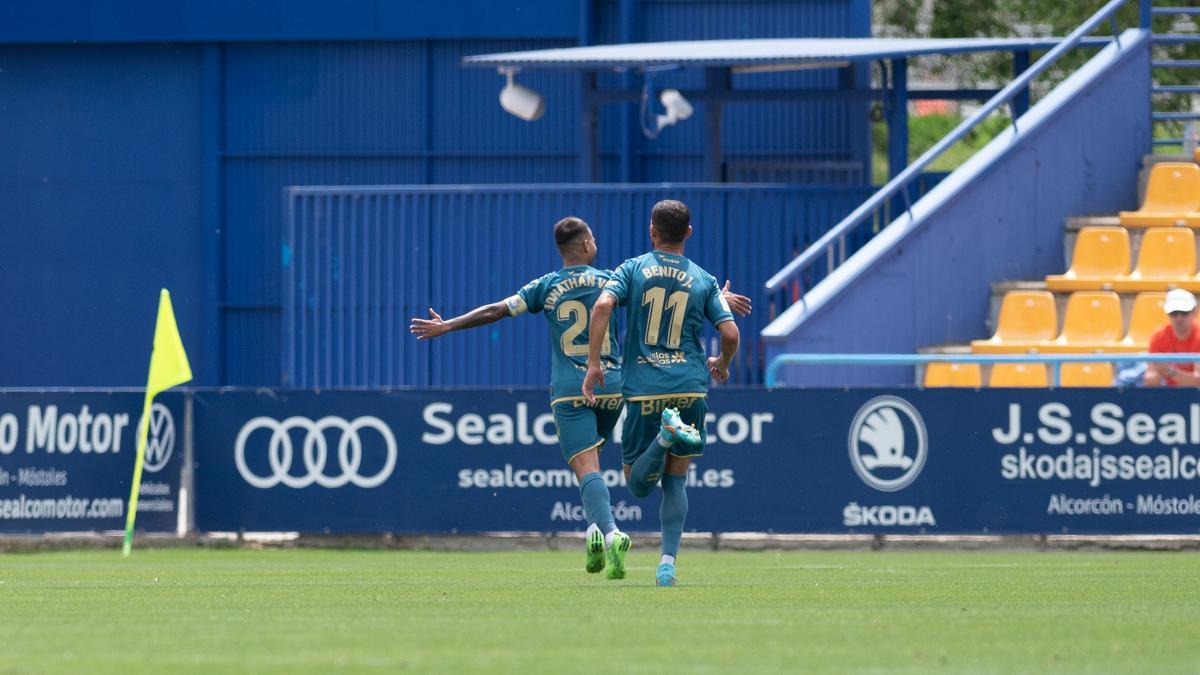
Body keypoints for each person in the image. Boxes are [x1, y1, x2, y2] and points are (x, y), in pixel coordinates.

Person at [411, 216, 750, 580]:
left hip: (573, 389)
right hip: (613, 385)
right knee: (609, 466)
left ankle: (610, 532)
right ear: (588, 244)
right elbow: (665, 294)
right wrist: (718, 298)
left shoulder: (545, 286)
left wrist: (449, 325)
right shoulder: (609, 278)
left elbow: (497, 310)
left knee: (587, 469)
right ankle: (594, 532)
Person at [582, 199, 742, 587]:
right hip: (690, 387)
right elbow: (731, 333)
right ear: (688, 232)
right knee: (676, 482)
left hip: (644, 389)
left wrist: (594, 363)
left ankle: (663, 435)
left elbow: (603, 304)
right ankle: (667, 565)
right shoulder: (703, 279)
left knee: (637, 486)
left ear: (652, 231)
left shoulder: (632, 269)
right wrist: (722, 363)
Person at [1144, 288, 1200, 387]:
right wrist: (1157, 373)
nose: (1179, 318)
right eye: (1174, 313)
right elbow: (1150, 379)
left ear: (1194, 312)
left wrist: (1170, 371)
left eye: (1184, 313)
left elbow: (1198, 381)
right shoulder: (1158, 336)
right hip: (1169, 392)